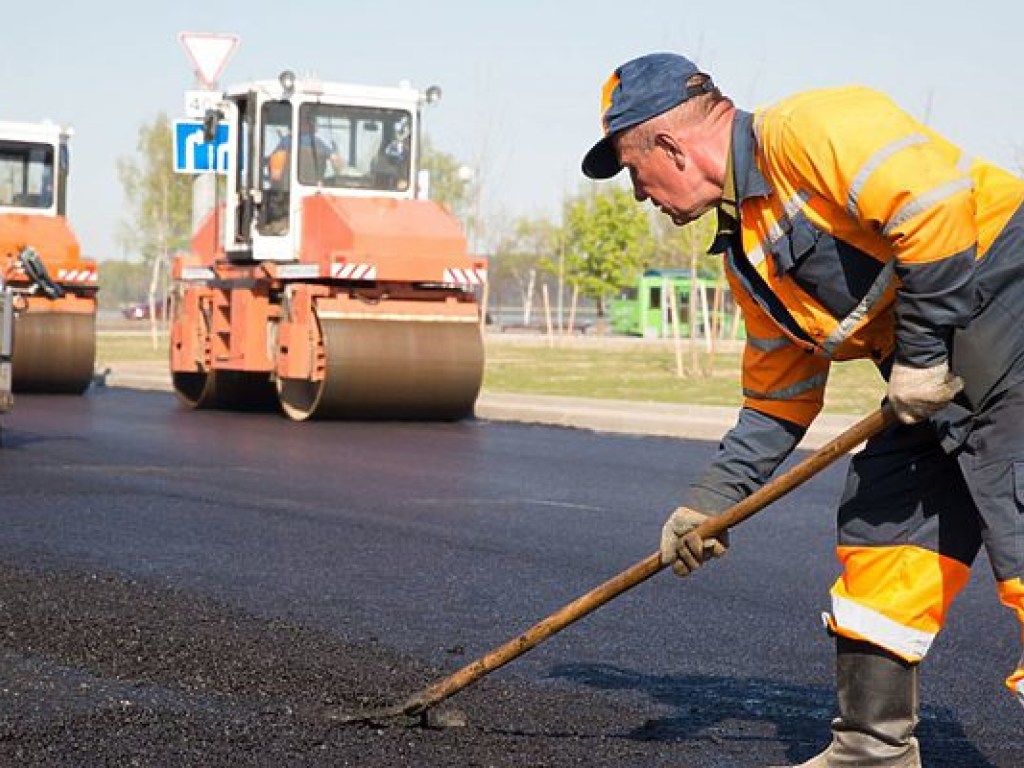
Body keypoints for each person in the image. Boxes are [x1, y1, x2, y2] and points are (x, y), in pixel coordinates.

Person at [581, 52, 1024, 767]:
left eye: (634, 170)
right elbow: (778, 400)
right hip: (937, 380)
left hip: (1010, 317)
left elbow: (933, 207)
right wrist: (709, 503)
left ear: (669, 146)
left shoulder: (807, 129)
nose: (639, 194)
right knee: (883, 523)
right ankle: (872, 749)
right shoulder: (747, 253)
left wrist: (918, 354)